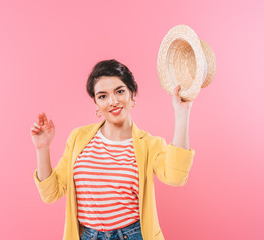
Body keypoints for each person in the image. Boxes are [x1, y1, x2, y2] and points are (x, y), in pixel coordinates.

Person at [30, 59, 195, 240]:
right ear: (96, 104)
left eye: (120, 91)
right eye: (103, 96)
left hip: (132, 235)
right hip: (88, 236)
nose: (113, 101)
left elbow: (176, 177)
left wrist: (182, 115)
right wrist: (43, 148)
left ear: (132, 95)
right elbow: (51, 193)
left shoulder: (149, 144)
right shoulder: (78, 138)